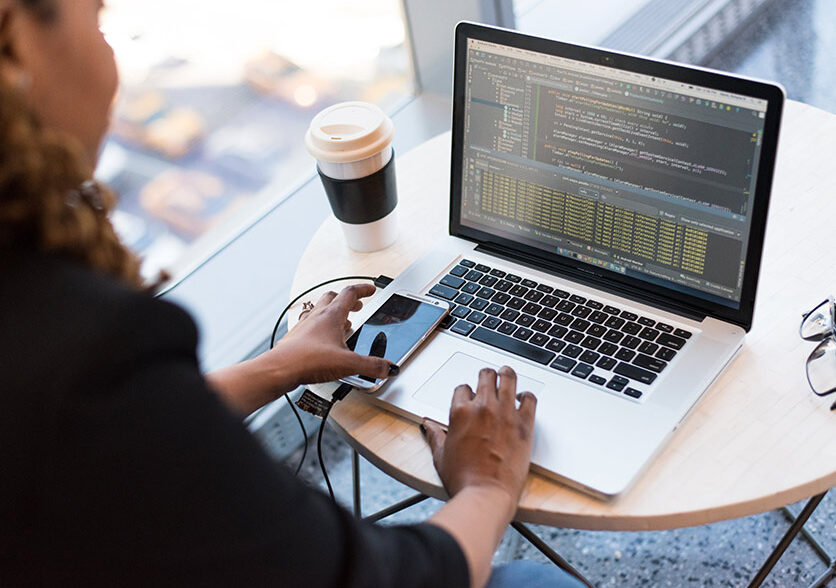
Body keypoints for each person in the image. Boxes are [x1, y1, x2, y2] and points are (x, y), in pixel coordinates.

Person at [0, 1, 584, 586]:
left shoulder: (57, 349)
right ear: (19, 46)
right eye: (99, 22)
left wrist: (279, 366)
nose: (109, 49)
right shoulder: (88, 345)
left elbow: (118, 433)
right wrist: (485, 486)